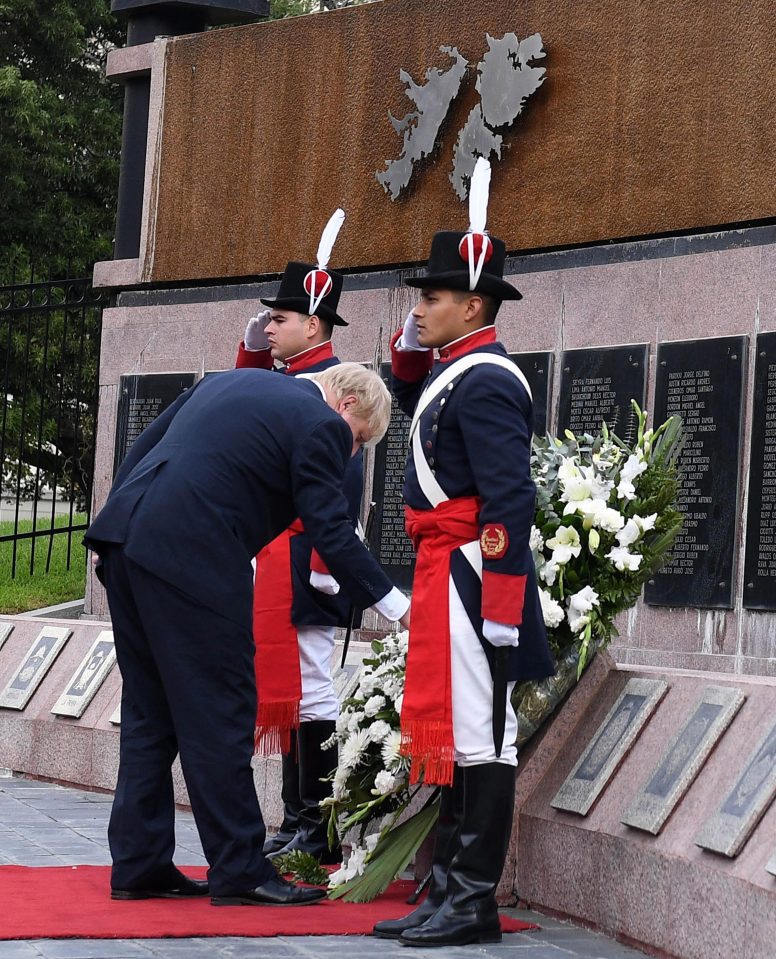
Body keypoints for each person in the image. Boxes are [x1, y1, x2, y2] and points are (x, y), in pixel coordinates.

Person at [85, 362, 410, 907]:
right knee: (223, 710)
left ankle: (138, 863)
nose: (350, 454)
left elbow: (143, 450)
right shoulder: (322, 423)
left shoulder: (226, 382)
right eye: (359, 441)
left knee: (149, 712)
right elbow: (330, 528)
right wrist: (400, 609)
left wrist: (132, 523)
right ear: (349, 405)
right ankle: (239, 867)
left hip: (128, 538)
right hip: (194, 558)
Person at [373, 159, 554, 946]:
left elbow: (510, 499)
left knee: (482, 733)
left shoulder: (487, 379)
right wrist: (413, 350)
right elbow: (415, 403)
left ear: (473, 304)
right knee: (453, 731)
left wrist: (503, 603)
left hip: (475, 573)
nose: (420, 308)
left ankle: (472, 897)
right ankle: (447, 884)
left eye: (432, 297)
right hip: (445, 567)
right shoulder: (456, 372)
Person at [234, 224, 362, 864]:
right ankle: (294, 819)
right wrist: (252, 351)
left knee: (312, 689)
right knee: (289, 686)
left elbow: (343, 479)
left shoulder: (332, 385)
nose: (269, 327)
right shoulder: (293, 378)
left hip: (307, 558)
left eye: (279, 318)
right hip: (273, 554)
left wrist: (322, 564)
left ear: (315, 325)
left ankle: (317, 824)